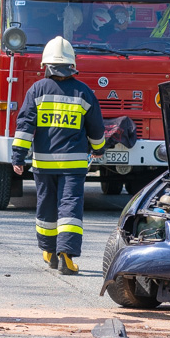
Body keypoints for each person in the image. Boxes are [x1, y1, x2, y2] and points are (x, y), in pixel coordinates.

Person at [11, 36, 105, 275]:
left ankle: (49, 252)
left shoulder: (37, 90)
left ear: (46, 66)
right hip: (73, 166)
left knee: (47, 207)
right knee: (70, 208)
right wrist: (99, 149)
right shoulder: (83, 92)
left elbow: (25, 126)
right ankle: (67, 256)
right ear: (72, 65)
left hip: (44, 164)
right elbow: (96, 129)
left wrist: (18, 157)